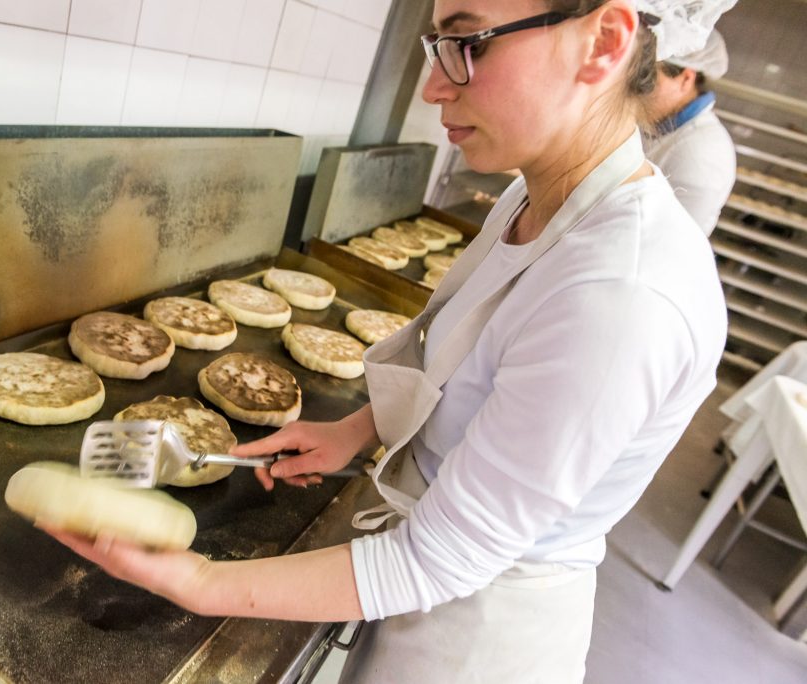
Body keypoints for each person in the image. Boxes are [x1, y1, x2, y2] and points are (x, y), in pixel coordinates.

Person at [42, 1, 731, 681]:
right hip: (429, 586)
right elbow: (464, 359)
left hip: (472, 642)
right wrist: (360, 427)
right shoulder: (537, 201)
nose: (433, 87)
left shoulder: (622, 293)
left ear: (603, 42)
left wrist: (196, 582)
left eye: (468, 43)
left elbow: (437, 560)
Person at [643, 29, 737, 234]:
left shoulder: (701, 155)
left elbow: (666, 241)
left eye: (649, 80)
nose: (638, 93)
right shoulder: (661, 124)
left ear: (686, 79)